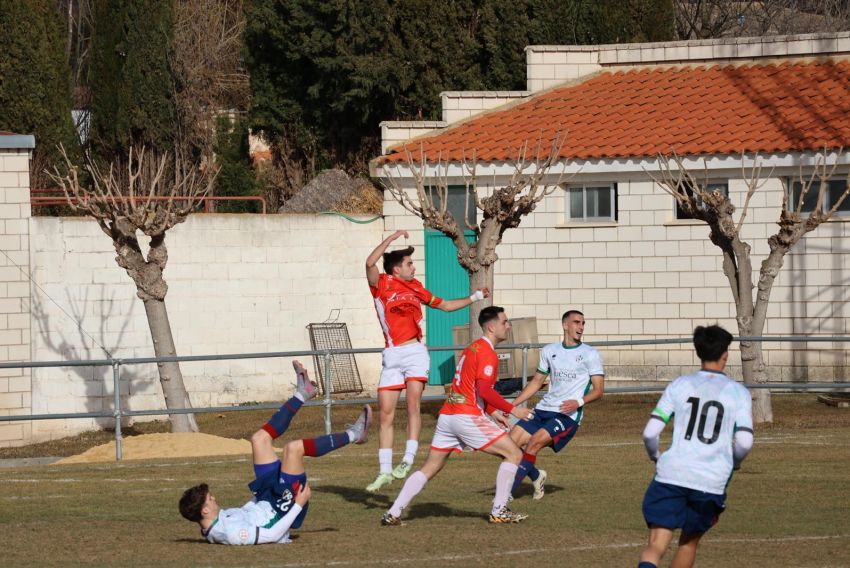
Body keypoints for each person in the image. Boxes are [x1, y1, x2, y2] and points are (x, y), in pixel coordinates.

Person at [178, 361, 373, 545]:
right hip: (283, 506)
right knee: (293, 448)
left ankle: (303, 393)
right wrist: (298, 504)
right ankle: (354, 435)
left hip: (266, 498)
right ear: (204, 510)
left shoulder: (214, 523)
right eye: (210, 500)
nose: (214, 499)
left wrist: (261, 494)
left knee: (259, 439)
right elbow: (272, 534)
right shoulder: (231, 534)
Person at [380, 306, 533, 525]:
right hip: (466, 416)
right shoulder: (488, 353)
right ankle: (499, 510)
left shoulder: (473, 348)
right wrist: (514, 410)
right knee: (514, 454)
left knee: (430, 467)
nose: (508, 326)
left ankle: (393, 512)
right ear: (491, 327)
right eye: (504, 322)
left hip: (448, 416)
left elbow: (469, 386)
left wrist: (492, 412)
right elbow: (485, 391)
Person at [365, 230, 489, 492]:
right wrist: (391, 239)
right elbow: (369, 263)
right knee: (385, 414)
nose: (414, 266)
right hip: (392, 354)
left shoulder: (416, 287)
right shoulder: (382, 284)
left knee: (413, 405)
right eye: (409, 263)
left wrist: (475, 297)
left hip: (415, 353)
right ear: (396, 268)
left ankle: (408, 459)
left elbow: (444, 306)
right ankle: (384, 471)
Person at [637, 325, 754, 568]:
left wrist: (655, 456)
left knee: (656, 544)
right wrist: (735, 463)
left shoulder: (679, 385)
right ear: (725, 355)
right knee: (689, 543)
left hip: (672, 473)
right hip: (711, 480)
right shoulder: (738, 392)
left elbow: (650, 433)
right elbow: (744, 441)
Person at [508, 309, 605, 500]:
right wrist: (512, 405)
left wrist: (577, 402)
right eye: (577, 322)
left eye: (583, 323)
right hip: (544, 408)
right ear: (565, 325)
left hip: (566, 415)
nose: (581, 327)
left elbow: (598, 390)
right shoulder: (550, 350)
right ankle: (536, 476)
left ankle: (506, 494)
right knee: (510, 445)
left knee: (533, 443)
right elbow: (536, 382)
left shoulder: (590, 354)